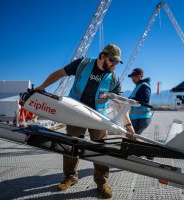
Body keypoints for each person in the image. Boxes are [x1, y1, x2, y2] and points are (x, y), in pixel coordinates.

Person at [35, 44, 135, 198]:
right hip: (75, 111)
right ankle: (70, 177)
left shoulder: (114, 78)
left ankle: (102, 182)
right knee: (70, 145)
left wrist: (128, 125)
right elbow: (60, 73)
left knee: (101, 148)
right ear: (102, 56)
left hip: (98, 116)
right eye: (112, 61)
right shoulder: (82, 64)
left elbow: (119, 104)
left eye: (116, 62)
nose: (114, 65)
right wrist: (41, 87)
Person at [127, 68, 152, 135]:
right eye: (132, 77)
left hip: (141, 119)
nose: (132, 78)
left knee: (131, 137)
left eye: (135, 76)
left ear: (140, 76)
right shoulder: (138, 86)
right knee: (132, 138)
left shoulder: (144, 86)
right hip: (137, 118)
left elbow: (145, 100)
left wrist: (133, 99)